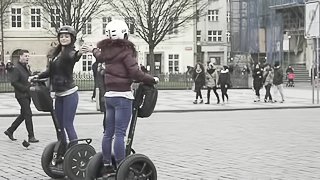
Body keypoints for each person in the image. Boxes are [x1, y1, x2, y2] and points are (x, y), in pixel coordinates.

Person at [82, 20, 158, 178]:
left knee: (108, 133)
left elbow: (98, 55)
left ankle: (107, 164)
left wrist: (92, 49)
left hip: (109, 96)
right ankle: (121, 164)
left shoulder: (106, 52)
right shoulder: (125, 51)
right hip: (123, 96)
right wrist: (152, 79)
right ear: (124, 33)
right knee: (120, 133)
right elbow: (135, 74)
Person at [36, 25, 83, 145]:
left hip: (69, 94)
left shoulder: (70, 52)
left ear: (72, 38)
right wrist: (37, 76)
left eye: (67, 36)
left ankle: (74, 149)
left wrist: (79, 53)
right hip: (58, 94)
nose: (64, 39)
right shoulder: (56, 54)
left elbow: (73, 57)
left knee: (68, 124)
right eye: (61, 36)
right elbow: (50, 72)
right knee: (59, 125)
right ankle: (62, 147)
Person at [4, 49, 39, 143]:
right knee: (28, 114)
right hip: (21, 94)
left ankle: (10, 130)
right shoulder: (16, 68)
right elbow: (14, 82)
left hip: (27, 94)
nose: (27, 58)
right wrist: (24, 88)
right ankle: (31, 136)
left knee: (24, 114)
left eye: (28, 56)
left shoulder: (25, 67)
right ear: (20, 57)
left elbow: (27, 78)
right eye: (25, 56)